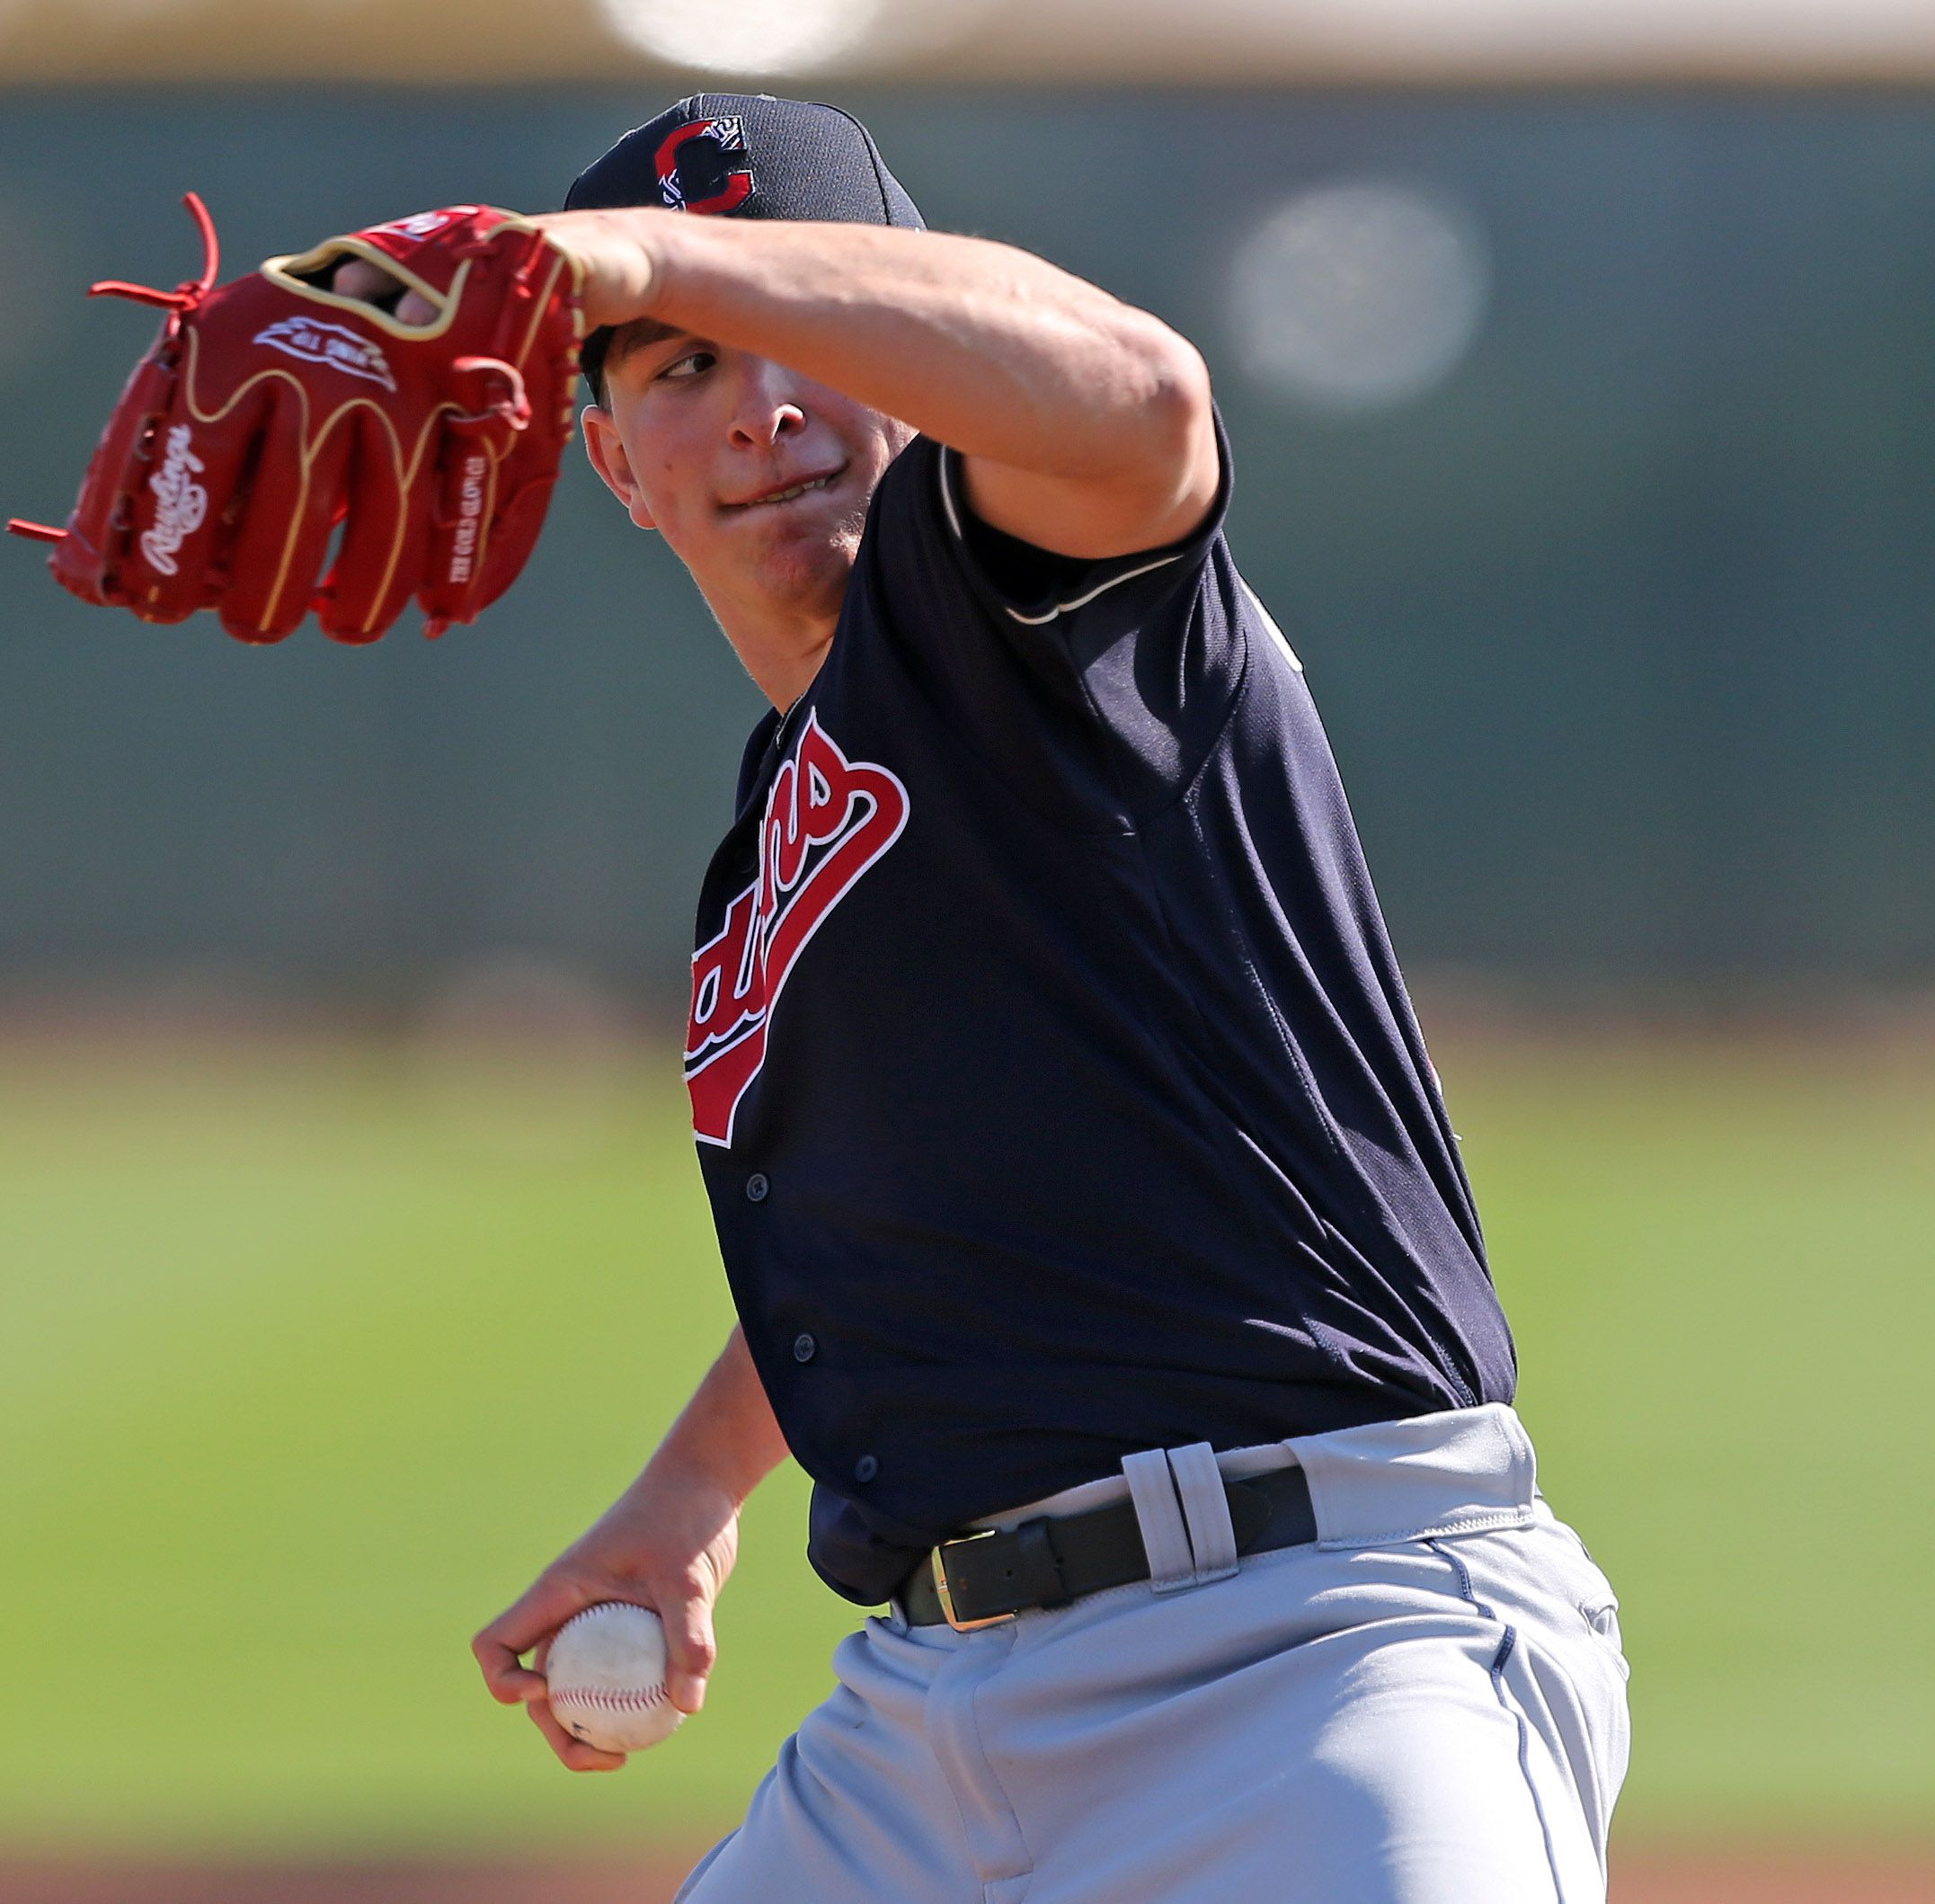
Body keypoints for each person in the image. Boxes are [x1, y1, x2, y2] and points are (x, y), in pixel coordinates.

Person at [440, 95, 1630, 1901]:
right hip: (931, 1720)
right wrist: (688, 1497)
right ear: (614, 461)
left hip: (1316, 1657)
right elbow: (915, 1221)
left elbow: (1145, 398)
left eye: (809, 329)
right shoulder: (779, 830)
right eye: (682, 364)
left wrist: (642, 260)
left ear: (928, 361)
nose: (764, 404)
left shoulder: (1051, 606)